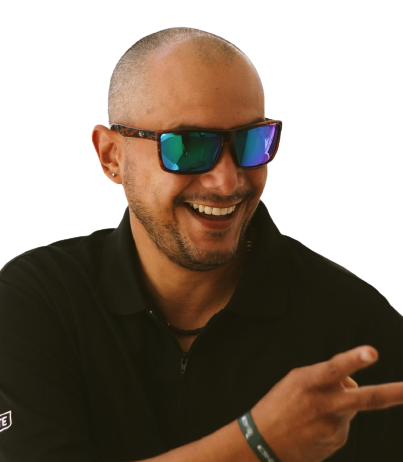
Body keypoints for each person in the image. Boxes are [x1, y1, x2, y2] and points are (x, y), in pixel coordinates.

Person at [0, 27, 402, 462]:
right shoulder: (38, 298)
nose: (227, 182)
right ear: (111, 155)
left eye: (251, 142)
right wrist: (258, 442)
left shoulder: (358, 324)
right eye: (188, 146)